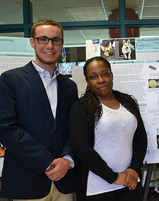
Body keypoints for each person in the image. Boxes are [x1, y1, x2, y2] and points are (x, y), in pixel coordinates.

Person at [0, 19, 78, 200]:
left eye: (55, 40)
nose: (50, 45)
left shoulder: (70, 87)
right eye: (43, 39)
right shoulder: (10, 80)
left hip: (64, 181)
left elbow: (74, 129)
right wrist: (46, 162)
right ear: (32, 42)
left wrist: (67, 160)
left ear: (62, 44)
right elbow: (5, 127)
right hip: (27, 180)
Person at [68, 56, 147, 201]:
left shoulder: (127, 101)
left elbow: (140, 138)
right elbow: (81, 149)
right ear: (87, 81)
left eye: (104, 74)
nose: (101, 80)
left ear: (111, 75)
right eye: (93, 76)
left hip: (129, 183)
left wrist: (135, 169)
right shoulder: (81, 107)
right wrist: (113, 177)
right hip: (96, 188)